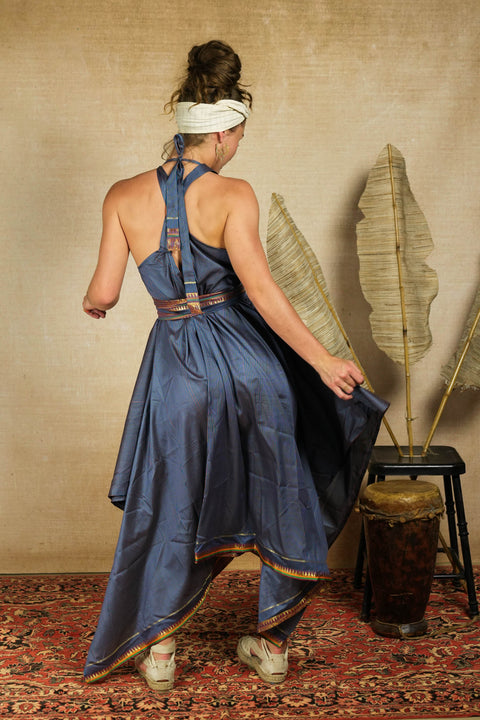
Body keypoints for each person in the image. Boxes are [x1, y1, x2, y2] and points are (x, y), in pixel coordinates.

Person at [82, 40, 387, 690]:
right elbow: (264, 292)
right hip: (251, 370)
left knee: (175, 503)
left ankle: (161, 654)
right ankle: (271, 645)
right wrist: (324, 362)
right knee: (280, 491)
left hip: (178, 371)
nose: (239, 146)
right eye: (240, 135)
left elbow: (105, 291)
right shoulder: (234, 195)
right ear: (220, 131)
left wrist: (94, 301)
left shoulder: (121, 195)